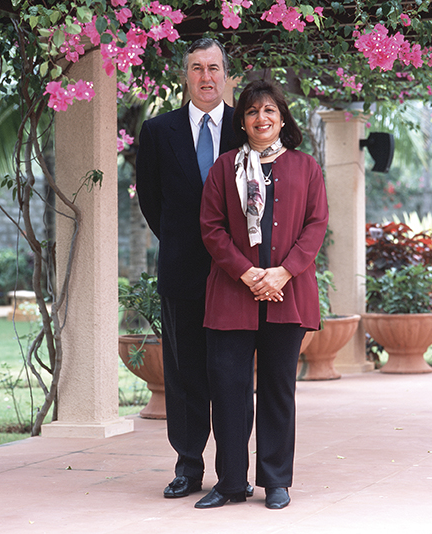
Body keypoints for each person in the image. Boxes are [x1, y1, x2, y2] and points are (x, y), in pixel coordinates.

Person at [196, 79, 329, 510]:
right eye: (253, 111)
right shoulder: (223, 169)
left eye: (270, 110)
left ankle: (276, 481)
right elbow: (211, 228)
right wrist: (249, 273)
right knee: (229, 392)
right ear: (243, 121)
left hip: (286, 295)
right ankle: (231, 482)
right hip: (233, 296)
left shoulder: (306, 167)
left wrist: (282, 273)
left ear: (282, 118)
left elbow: (315, 226)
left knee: (276, 389)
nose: (262, 118)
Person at [136, 38, 253, 500]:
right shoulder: (157, 132)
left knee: (233, 374)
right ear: (184, 75)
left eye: (215, 67)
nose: (207, 76)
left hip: (236, 276)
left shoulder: (245, 132)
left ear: (227, 74)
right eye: (197, 68)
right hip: (182, 271)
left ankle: (233, 471)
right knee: (184, 373)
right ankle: (188, 466)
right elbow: (151, 201)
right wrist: (185, 243)